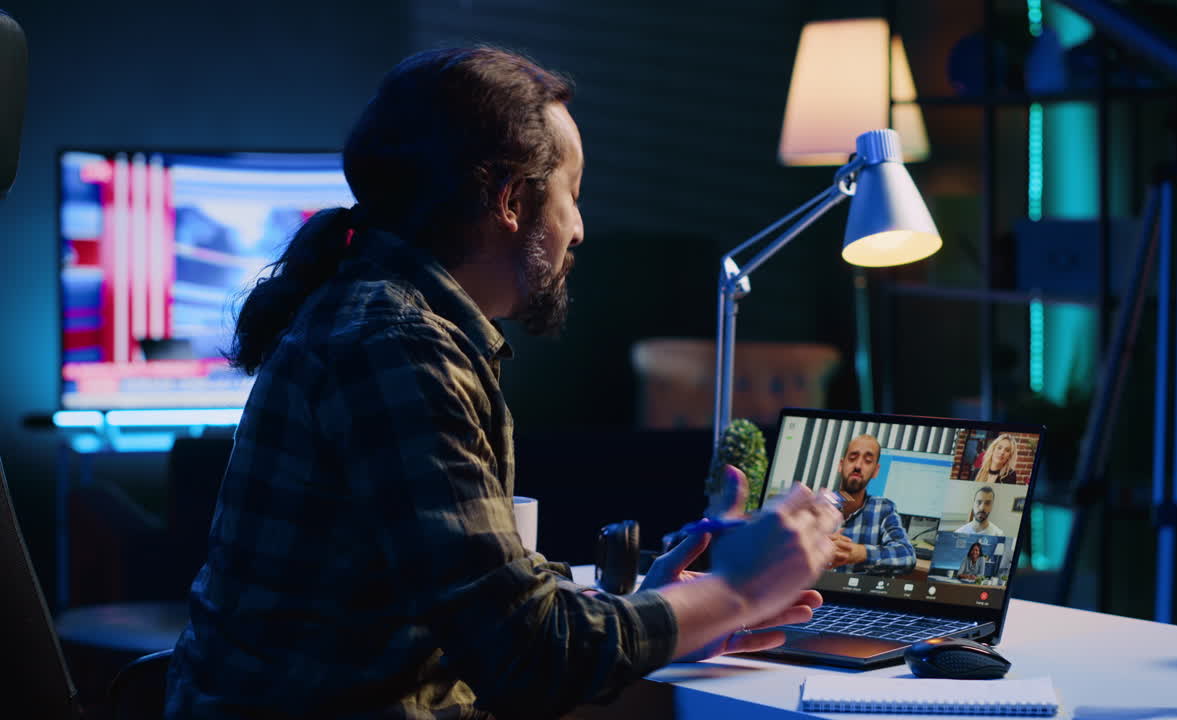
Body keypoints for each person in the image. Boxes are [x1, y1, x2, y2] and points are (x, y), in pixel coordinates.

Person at [163, 46, 842, 720]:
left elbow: (490, 603)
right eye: (572, 195)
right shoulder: (397, 345)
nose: (579, 229)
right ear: (512, 199)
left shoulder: (399, 324)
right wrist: (739, 589)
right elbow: (526, 658)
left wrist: (666, 608)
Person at [828, 434, 917, 576]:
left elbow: (907, 556)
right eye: (852, 458)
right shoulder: (816, 506)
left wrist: (860, 553)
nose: (858, 466)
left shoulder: (884, 509)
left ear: (876, 471)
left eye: (868, 461)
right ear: (840, 465)